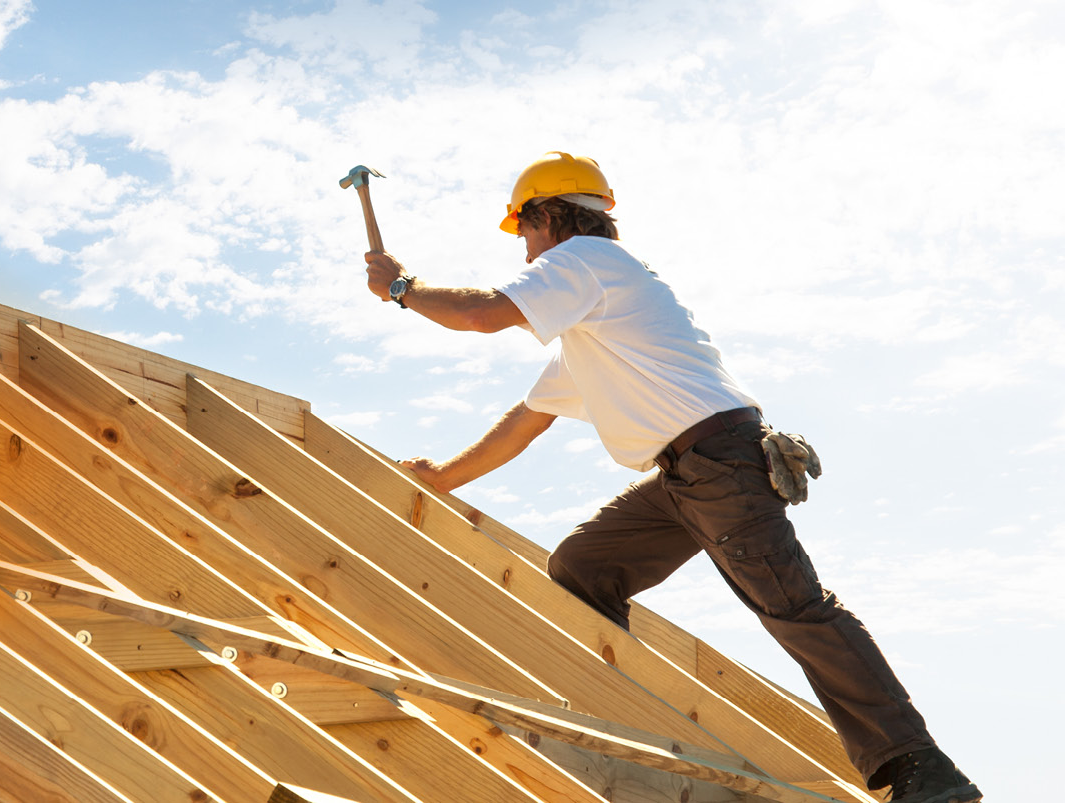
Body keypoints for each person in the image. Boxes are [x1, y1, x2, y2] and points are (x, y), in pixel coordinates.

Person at [362, 151, 980, 803]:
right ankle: (628, 713)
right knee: (583, 564)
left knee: (797, 610)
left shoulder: (588, 265)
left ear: (551, 216)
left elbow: (484, 313)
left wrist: (403, 287)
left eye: (525, 231)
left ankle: (922, 766)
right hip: (689, 473)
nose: (525, 254)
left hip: (718, 460)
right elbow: (528, 419)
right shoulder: (599, 320)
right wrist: (445, 478)